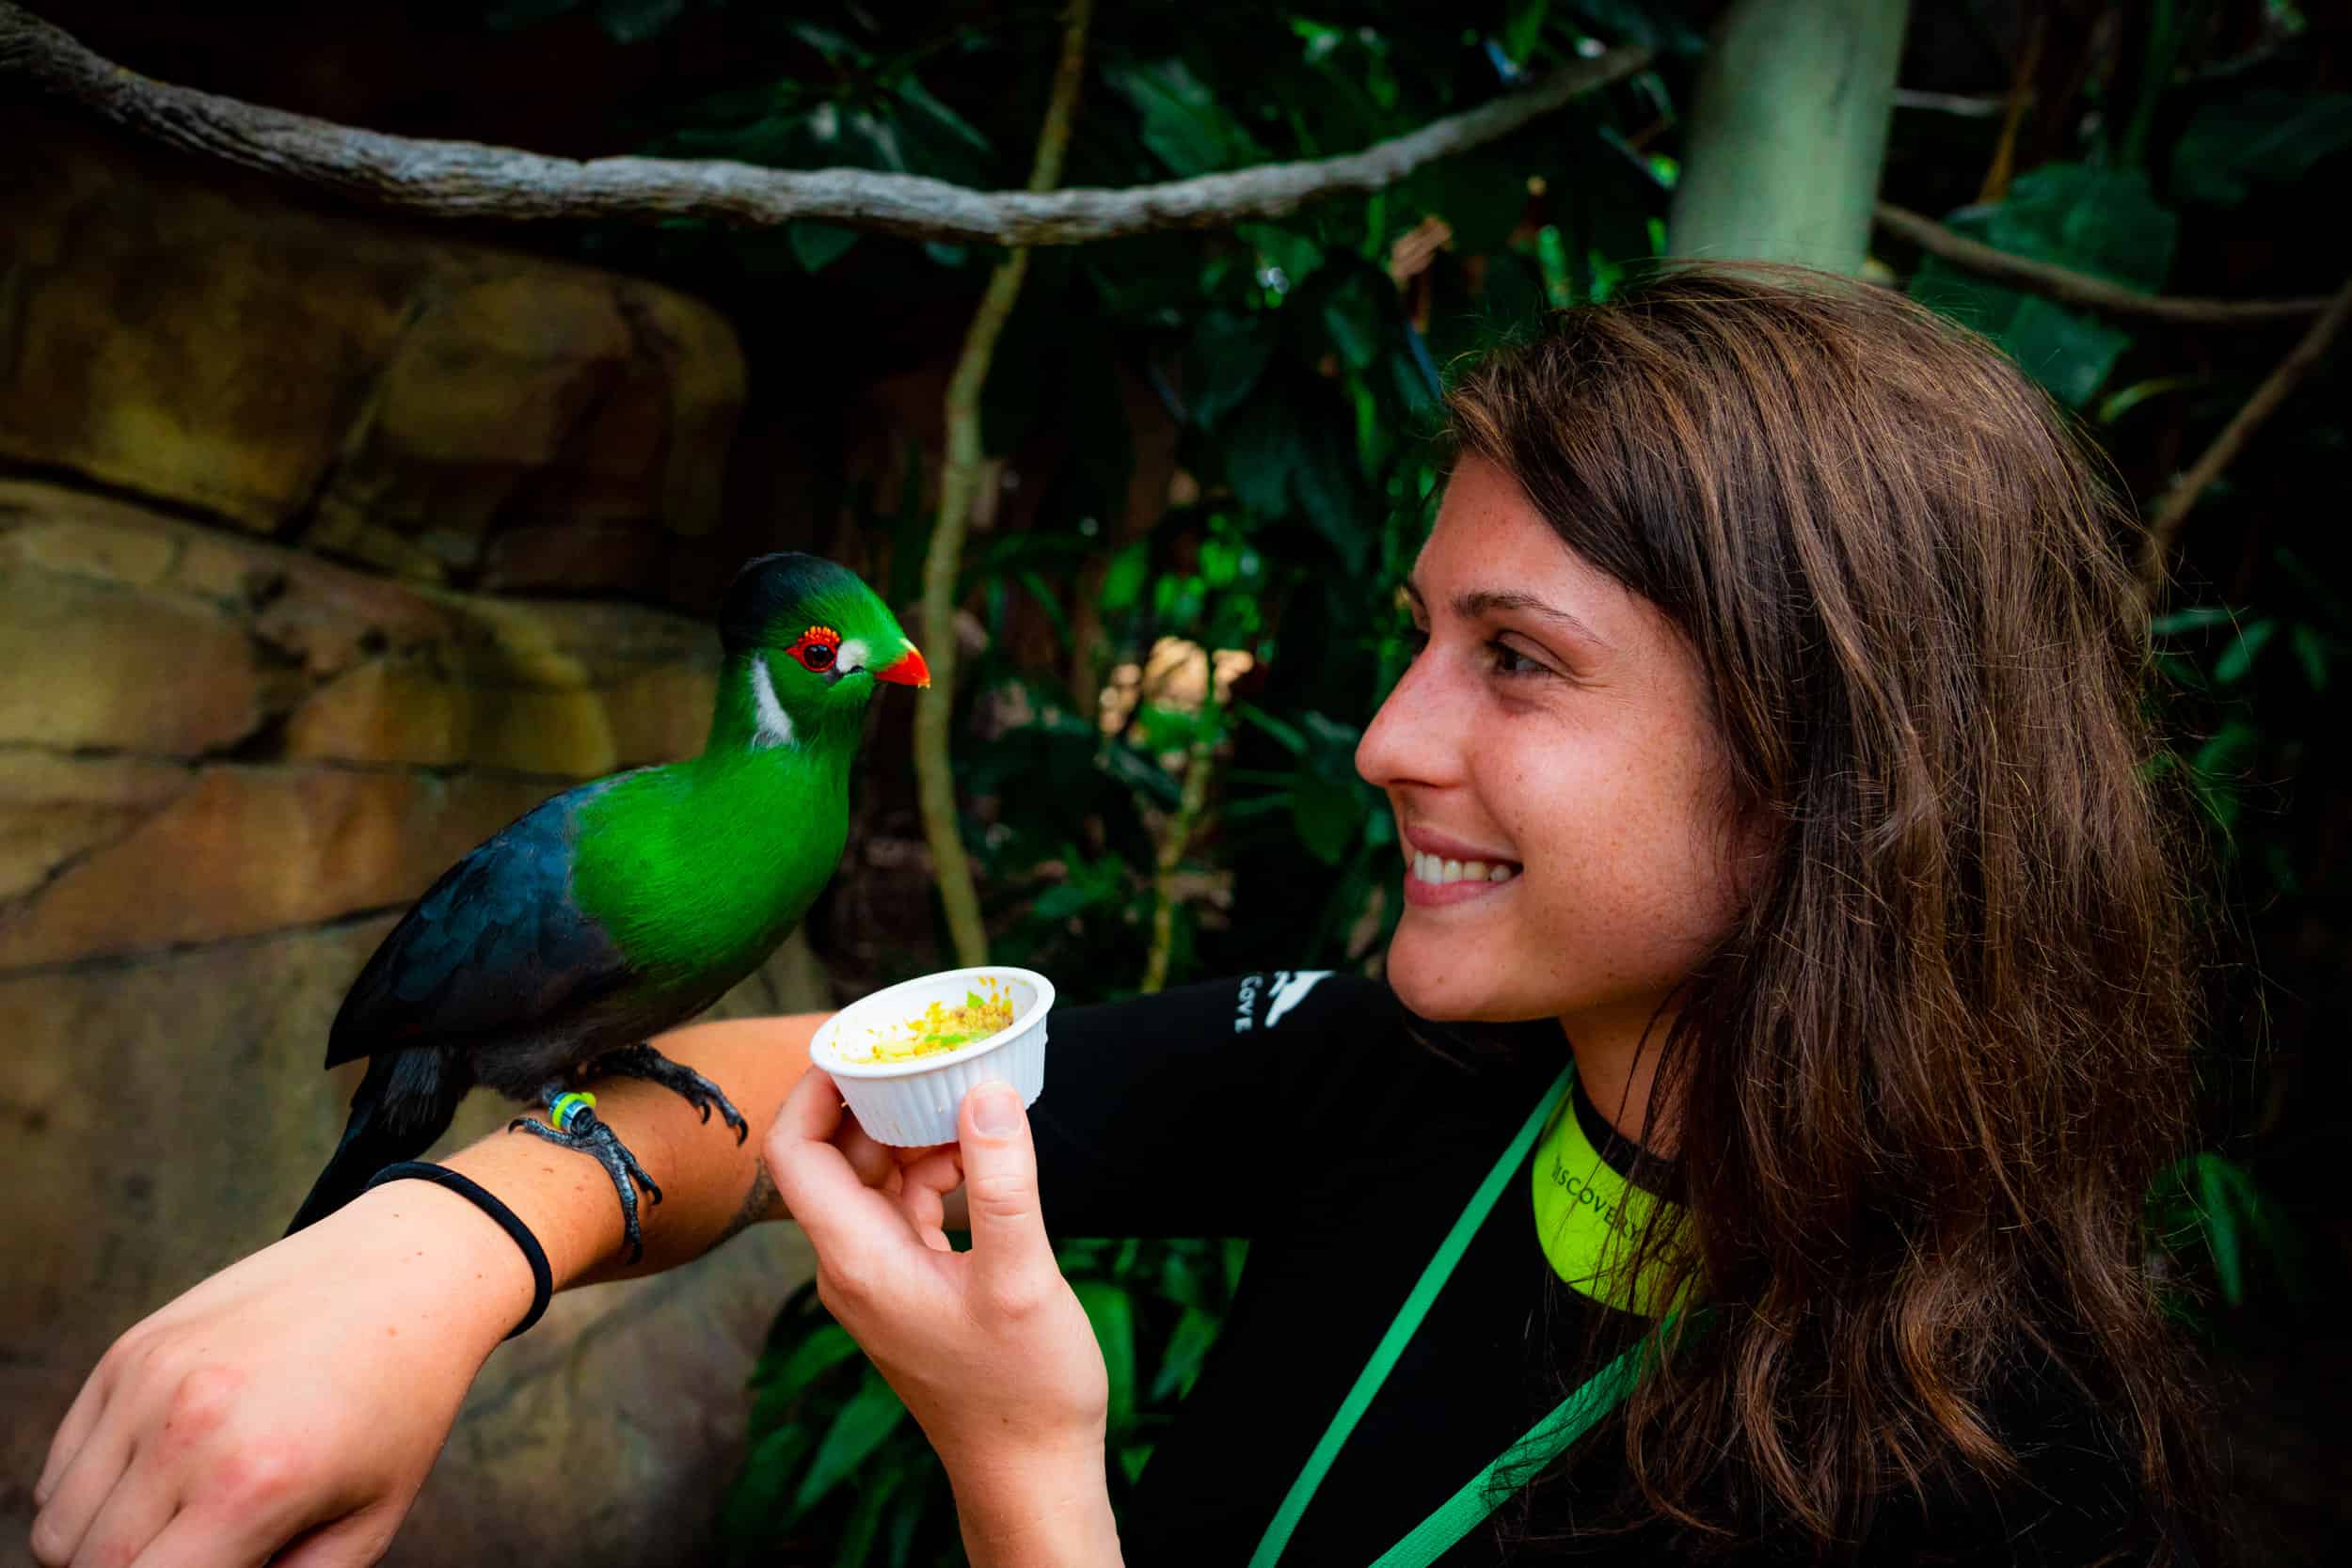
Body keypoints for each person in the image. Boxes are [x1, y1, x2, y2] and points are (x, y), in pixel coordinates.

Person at [29, 264, 2215, 1568]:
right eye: (1416, 639)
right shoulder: (1408, 1062)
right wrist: (446, 1246)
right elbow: (827, 1077)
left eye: (1516, 663)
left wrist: (1019, 1469)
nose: (1378, 739)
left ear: (1834, 759)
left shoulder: (2003, 1468)